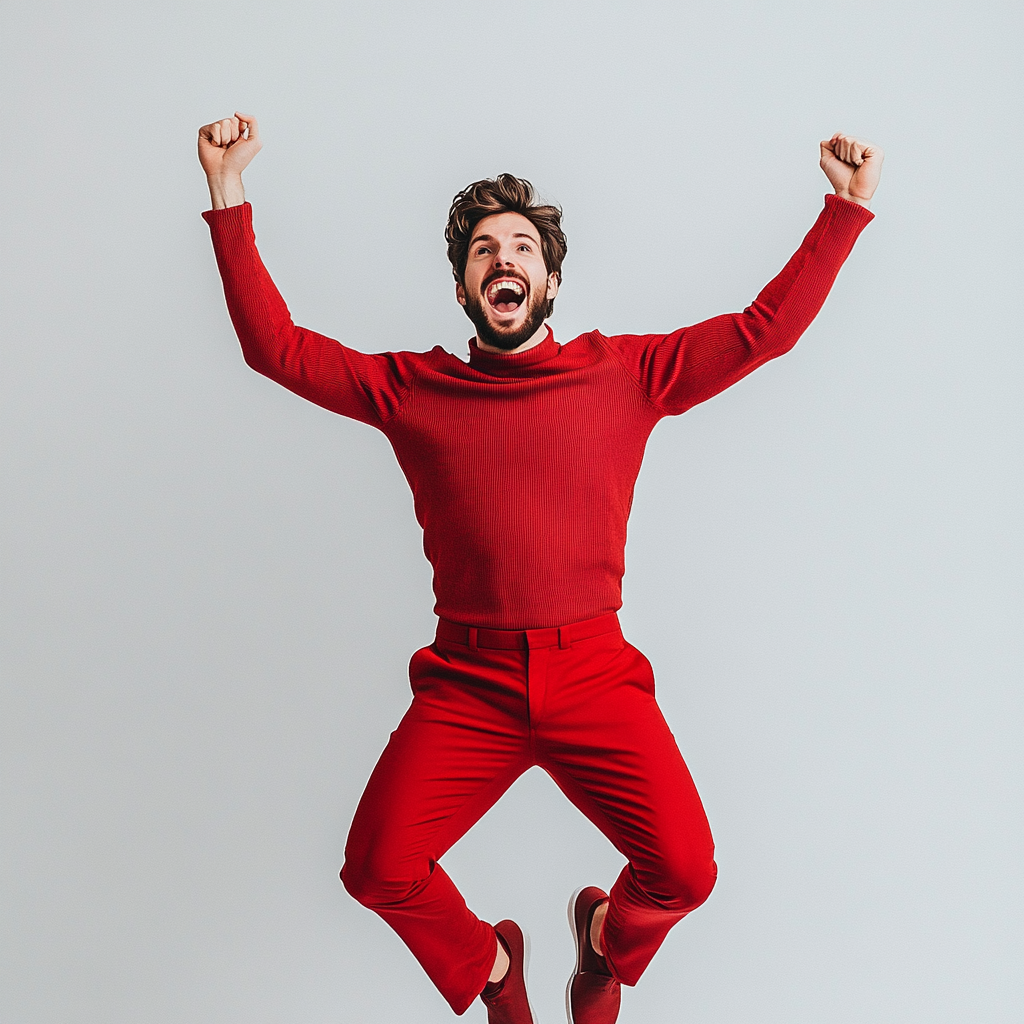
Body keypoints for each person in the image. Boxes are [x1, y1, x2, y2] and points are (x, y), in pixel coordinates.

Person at [197, 113, 882, 1024]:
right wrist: (227, 191)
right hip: (467, 684)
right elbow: (274, 349)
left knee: (684, 872)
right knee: (376, 870)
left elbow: (763, 331)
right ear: (464, 288)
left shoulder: (625, 376)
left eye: (521, 247)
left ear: (551, 280)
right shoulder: (410, 388)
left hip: (593, 674)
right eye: (483, 250)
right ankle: (492, 969)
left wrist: (842, 209)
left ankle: (605, 944)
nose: (502, 259)